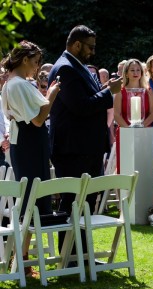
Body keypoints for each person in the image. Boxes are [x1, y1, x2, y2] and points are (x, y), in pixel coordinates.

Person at [48, 25, 122, 254]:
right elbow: (81, 106)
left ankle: (82, 253)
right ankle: (70, 256)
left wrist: (105, 90)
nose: (92, 52)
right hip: (73, 149)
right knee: (72, 201)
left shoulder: (77, 66)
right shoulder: (66, 68)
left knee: (86, 202)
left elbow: (88, 99)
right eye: (90, 47)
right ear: (77, 44)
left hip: (86, 147)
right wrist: (109, 92)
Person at [1, 40, 60, 277]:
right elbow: (37, 119)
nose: (37, 68)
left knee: (32, 200)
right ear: (24, 60)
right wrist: (52, 95)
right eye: (35, 63)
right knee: (30, 200)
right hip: (28, 143)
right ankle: (21, 259)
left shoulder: (16, 83)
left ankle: (23, 258)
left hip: (28, 143)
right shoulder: (17, 84)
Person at [114, 58, 153, 172]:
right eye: (132, 70)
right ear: (126, 73)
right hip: (125, 132)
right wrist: (129, 130)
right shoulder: (120, 91)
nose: (136, 73)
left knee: (143, 167)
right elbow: (116, 115)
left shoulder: (148, 90)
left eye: (138, 70)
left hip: (144, 133)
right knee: (124, 167)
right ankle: (121, 190)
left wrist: (140, 128)